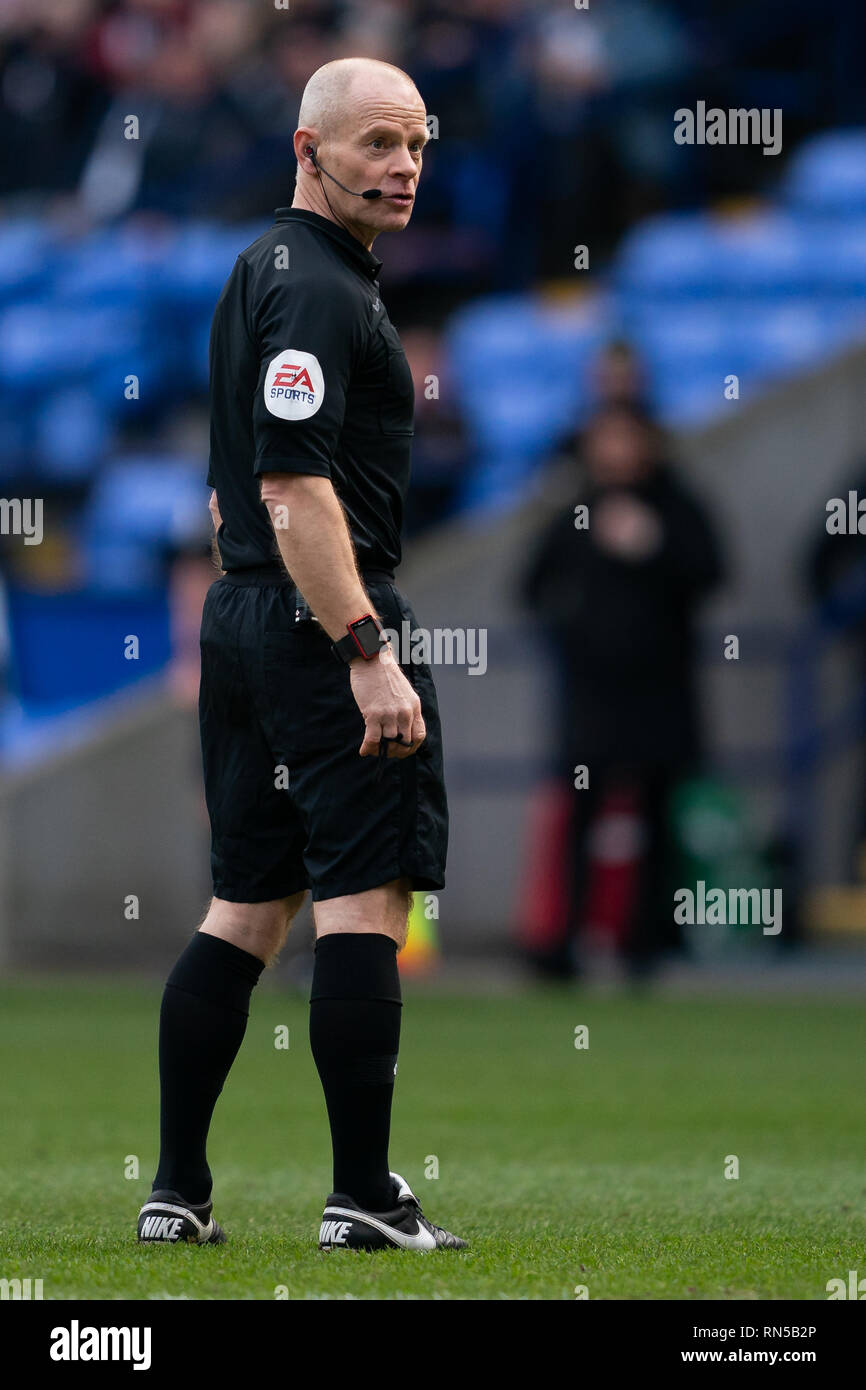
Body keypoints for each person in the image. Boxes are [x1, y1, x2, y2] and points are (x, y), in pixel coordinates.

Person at [137, 57, 465, 1253]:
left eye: (418, 145)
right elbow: (293, 485)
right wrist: (364, 647)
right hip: (319, 619)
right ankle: (363, 1195)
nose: (402, 166)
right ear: (306, 147)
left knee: (244, 909)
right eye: (377, 142)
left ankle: (176, 1190)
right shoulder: (324, 286)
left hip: (244, 616)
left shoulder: (259, 268)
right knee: (361, 899)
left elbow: (245, 483)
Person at [521, 402, 724, 979]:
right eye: (605, 438)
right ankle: (564, 943)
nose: (616, 451)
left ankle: (646, 944)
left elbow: (711, 572)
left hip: (660, 693)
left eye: (627, 439)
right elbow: (532, 585)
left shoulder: (678, 506)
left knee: (658, 816)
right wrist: (573, 630)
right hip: (592, 695)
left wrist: (653, 547)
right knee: (580, 814)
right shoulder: (575, 508)